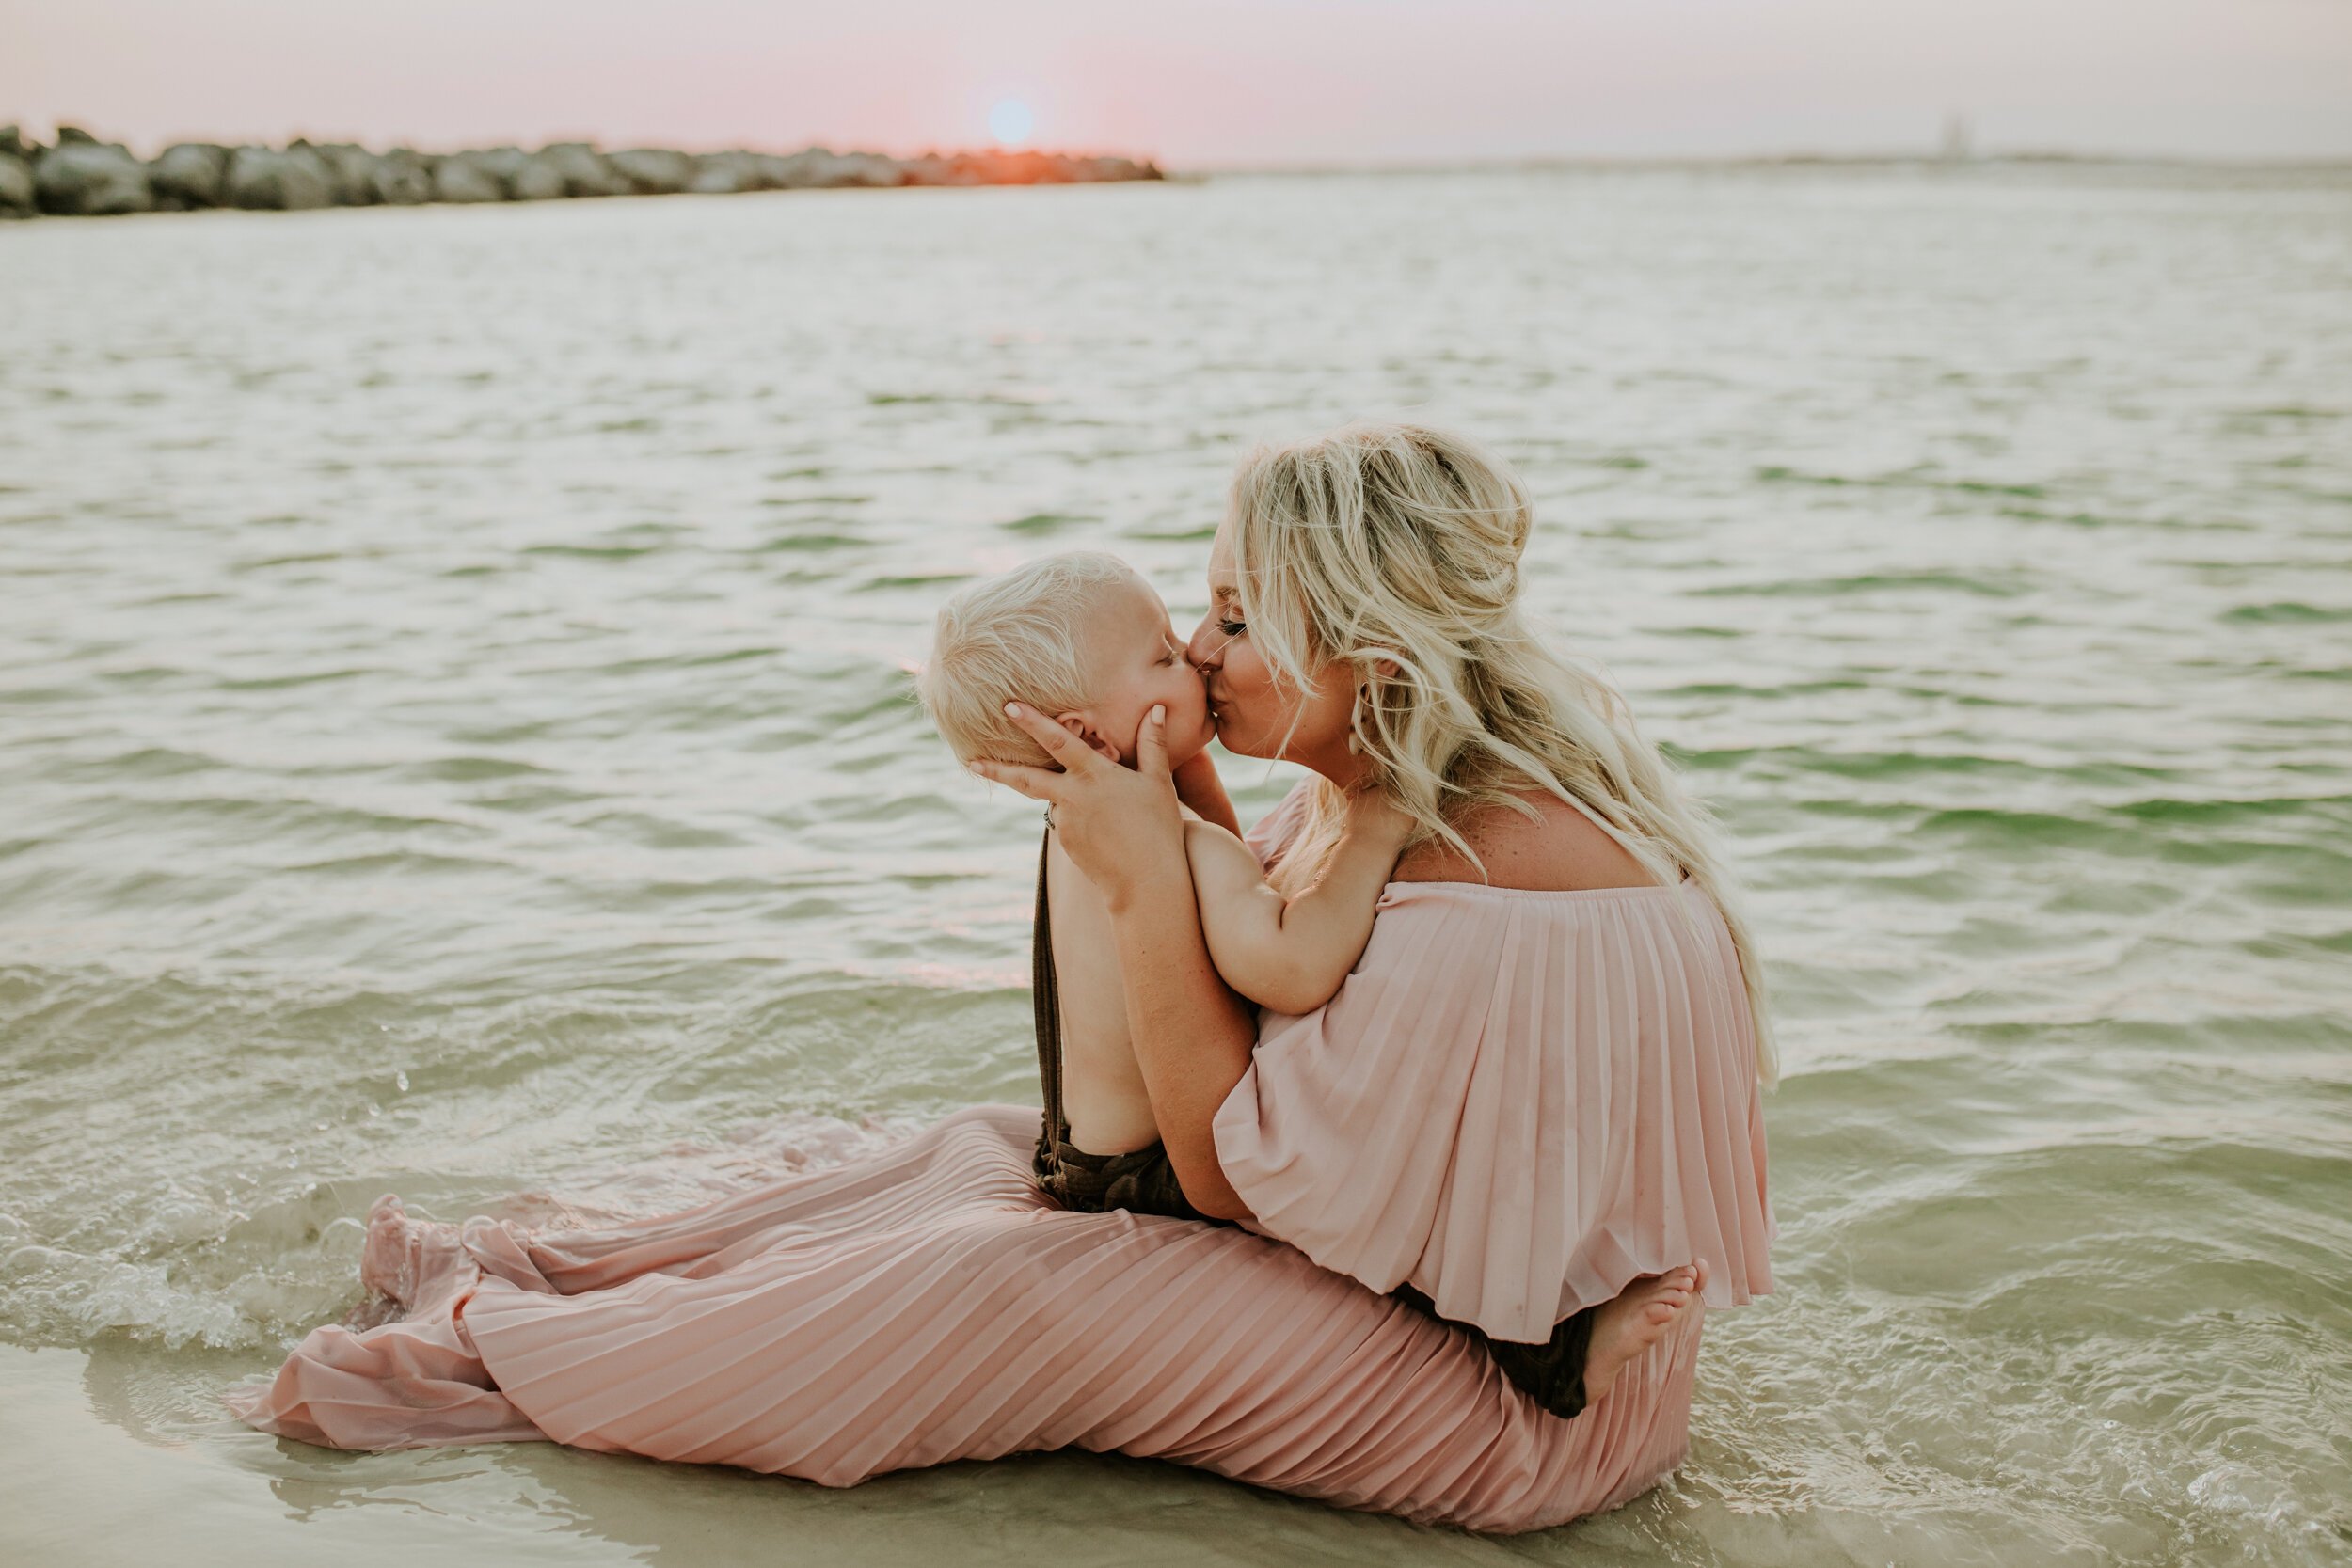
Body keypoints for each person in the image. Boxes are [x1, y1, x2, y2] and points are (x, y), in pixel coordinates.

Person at [225, 421, 1772, 1533]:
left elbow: (1236, 1180)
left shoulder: (1485, 875)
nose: (1206, 648)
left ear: (1361, 645)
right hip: (1466, 1321)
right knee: (981, 1153)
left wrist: (1140, 871)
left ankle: (503, 1353)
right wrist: (1151, 845)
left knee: (1012, 1274)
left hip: (1524, 1407)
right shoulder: (1414, 790)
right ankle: (544, 1264)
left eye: (1236, 616)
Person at [914, 547, 1699, 1415]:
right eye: (1166, 654)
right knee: (1371, 1209)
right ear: (1093, 731)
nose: (1198, 657)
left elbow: (1190, 939)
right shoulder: (1180, 843)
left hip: (1082, 1154)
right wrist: (1371, 828)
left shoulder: (1081, 830)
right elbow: (1286, 969)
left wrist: (1194, 766)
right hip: (1156, 1176)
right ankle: (1552, 1353)